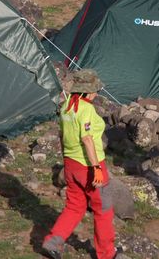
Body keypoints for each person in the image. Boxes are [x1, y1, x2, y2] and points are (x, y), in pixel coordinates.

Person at [42, 69, 116, 259]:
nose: (97, 93)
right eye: (95, 90)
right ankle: (106, 254)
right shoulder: (86, 109)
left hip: (70, 164)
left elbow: (62, 134)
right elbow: (87, 139)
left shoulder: (67, 106)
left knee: (74, 206)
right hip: (88, 166)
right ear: (87, 91)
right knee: (103, 210)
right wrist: (97, 168)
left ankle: (53, 242)